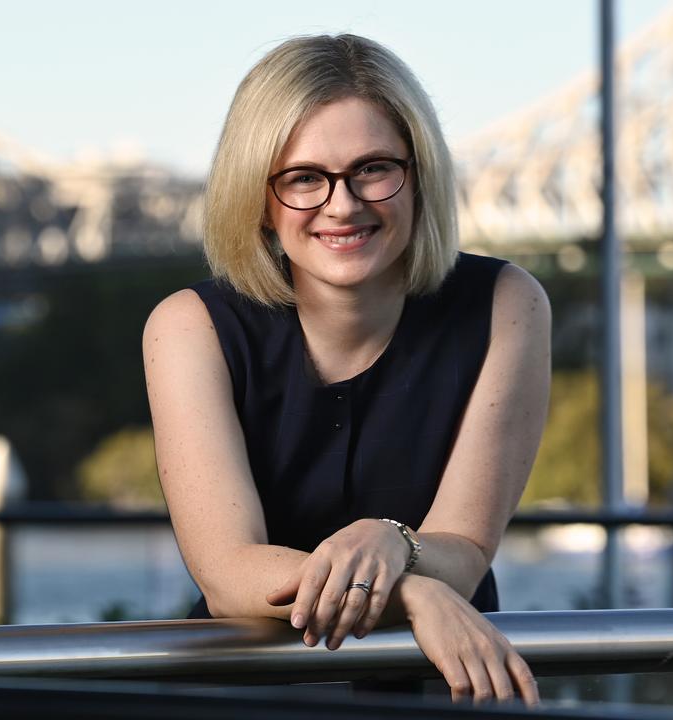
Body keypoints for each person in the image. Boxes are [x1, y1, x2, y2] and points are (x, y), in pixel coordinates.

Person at [143, 33, 550, 706]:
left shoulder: (506, 305)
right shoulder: (189, 327)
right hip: (252, 692)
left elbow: (467, 549)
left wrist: (388, 542)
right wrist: (410, 583)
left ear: (419, 175)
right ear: (261, 199)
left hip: (442, 687)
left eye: (373, 169)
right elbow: (229, 573)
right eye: (305, 178)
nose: (342, 204)